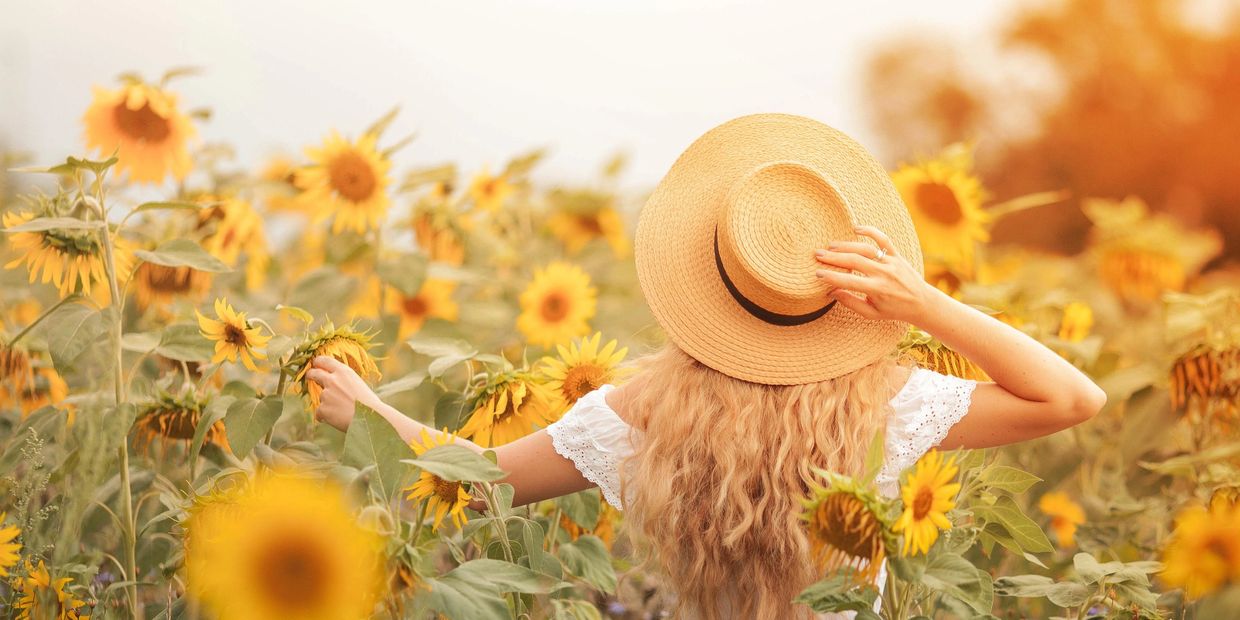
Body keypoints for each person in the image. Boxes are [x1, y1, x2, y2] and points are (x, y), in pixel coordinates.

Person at [306, 114, 1106, 619]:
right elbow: (1072, 397)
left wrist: (367, 413)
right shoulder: (885, 405)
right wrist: (924, 305)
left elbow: (480, 482)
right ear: (837, 301)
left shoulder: (646, 412)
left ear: (702, 278)